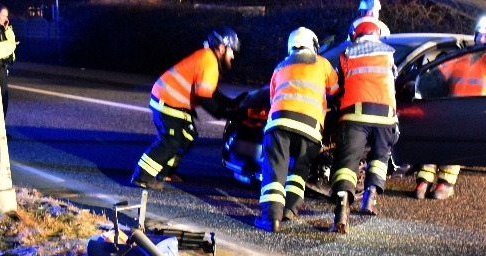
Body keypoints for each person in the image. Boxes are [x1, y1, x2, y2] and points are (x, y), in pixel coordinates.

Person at [413, 16, 486, 200]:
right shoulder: (465, 57)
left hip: (478, 110)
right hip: (452, 107)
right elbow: (440, 75)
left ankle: (444, 184)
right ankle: (423, 181)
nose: (482, 40)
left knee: (454, 146)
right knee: (435, 141)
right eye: (480, 35)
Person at [130, 28, 240, 190]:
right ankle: (142, 176)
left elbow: (211, 91)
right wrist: (224, 113)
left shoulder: (208, 58)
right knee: (170, 142)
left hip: (173, 101)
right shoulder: (208, 61)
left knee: (188, 135)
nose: (233, 56)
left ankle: (166, 171)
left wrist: (230, 103)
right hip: (167, 101)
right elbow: (204, 97)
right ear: (222, 48)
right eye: (232, 51)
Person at [254, 27, 338, 233]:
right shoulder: (323, 64)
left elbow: (273, 96)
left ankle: (271, 218)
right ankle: (290, 210)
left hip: (279, 123)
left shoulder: (280, 67)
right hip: (310, 128)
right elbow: (335, 90)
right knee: (299, 170)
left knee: (275, 169)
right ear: (313, 45)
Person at [330, 19, 399, 233]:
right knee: (380, 157)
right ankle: (370, 198)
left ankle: (342, 211)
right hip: (386, 117)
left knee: (347, 163)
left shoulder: (347, 54)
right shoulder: (389, 54)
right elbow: (393, 81)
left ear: (355, 36)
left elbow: (338, 86)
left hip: (354, 115)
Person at [0, 4, 18, 119]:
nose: (6, 19)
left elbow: (12, 42)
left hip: (3, 66)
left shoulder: (4, 28)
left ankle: (2, 127)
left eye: (7, 16)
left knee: (4, 98)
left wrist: (7, 29)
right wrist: (10, 46)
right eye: (3, 16)